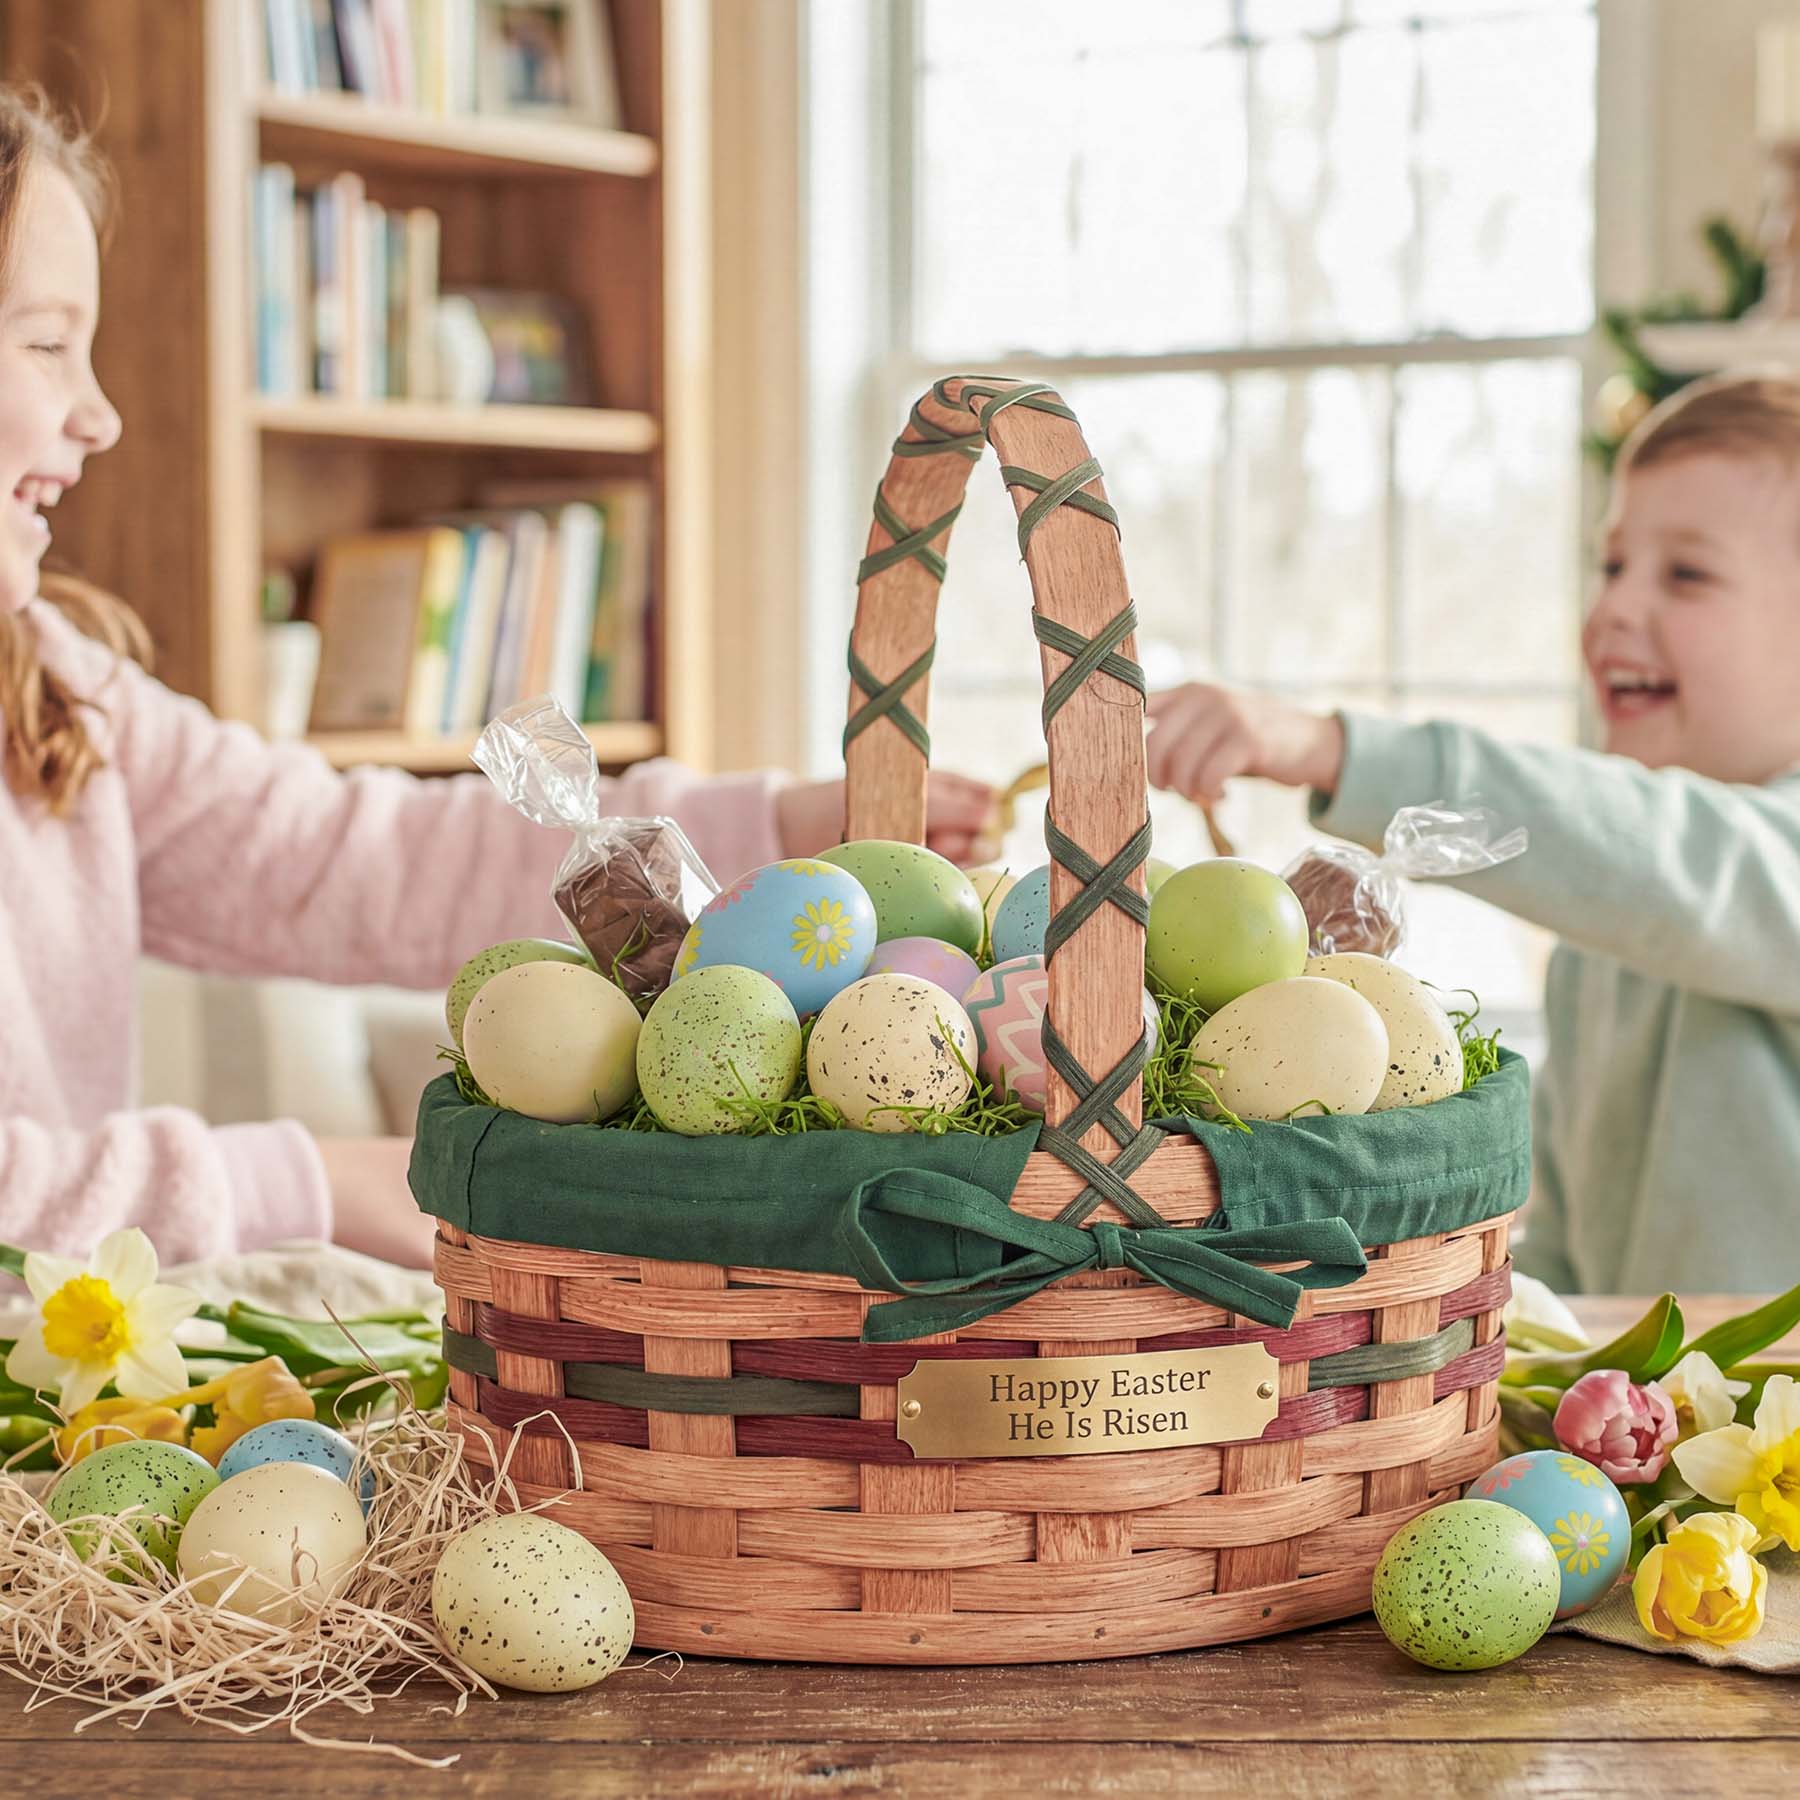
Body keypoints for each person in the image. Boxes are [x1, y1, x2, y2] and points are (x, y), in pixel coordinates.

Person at [0, 88, 989, 1271]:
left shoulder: (55, 692)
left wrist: (771, 829)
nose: (100, 417)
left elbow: (357, 863)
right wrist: (306, 1180)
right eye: (47, 343)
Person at [1145, 371, 1800, 1297]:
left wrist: (1331, 750)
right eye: (1613, 566)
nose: (1614, 608)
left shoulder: (1734, 873)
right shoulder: (1604, 938)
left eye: (1686, 574)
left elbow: (1668, 856)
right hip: (1654, 1428)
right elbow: (1575, 1251)